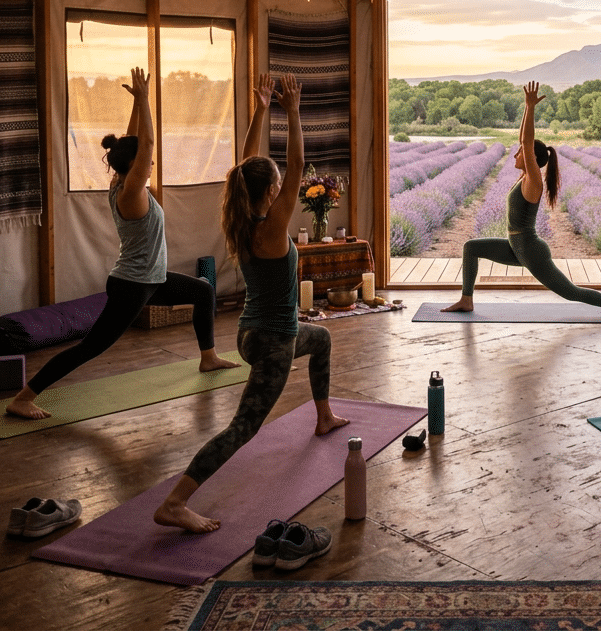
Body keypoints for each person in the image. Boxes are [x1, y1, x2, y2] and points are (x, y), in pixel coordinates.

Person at [154, 73, 348, 533]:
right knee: (243, 427)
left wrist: (262, 110)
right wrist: (294, 112)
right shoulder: (271, 228)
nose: (284, 184)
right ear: (271, 192)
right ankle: (176, 502)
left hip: (247, 334)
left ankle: (323, 416)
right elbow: (297, 165)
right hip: (274, 342)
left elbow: (244, 165)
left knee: (320, 339)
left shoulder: (243, 217)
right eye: (278, 182)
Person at [5, 68, 237, 421]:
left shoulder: (121, 179)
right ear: (134, 167)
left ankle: (208, 358)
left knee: (203, 292)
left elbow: (132, 142)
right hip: (133, 285)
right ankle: (23, 397)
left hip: (150, 279)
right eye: (145, 161)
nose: (152, 162)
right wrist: (145, 100)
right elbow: (146, 146)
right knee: (91, 347)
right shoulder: (131, 194)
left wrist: (135, 104)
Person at [443, 81, 601, 317]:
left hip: (530, 250)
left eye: (520, 153)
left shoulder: (534, 181)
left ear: (531, 158)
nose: (516, 154)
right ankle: (466, 300)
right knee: (471, 247)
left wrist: (531, 108)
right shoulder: (524, 178)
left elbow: (527, 143)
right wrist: (525, 107)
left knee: (570, 292)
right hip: (515, 247)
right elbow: (523, 141)